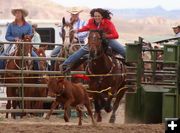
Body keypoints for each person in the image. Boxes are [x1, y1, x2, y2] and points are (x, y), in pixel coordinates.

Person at [61, 8, 126, 71]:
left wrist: (106, 36)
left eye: (98, 16)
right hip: (94, 41)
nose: (96, 17)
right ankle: (65, 65)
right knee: (80, 52)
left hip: (107, 40)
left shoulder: (108, 23)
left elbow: (116, 35)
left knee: (122, 50)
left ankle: (132, 62)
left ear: (102, 16)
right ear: (93, 16)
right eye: (95, 16)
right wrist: (78, 30)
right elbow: (86, 27)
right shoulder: (91, 21)